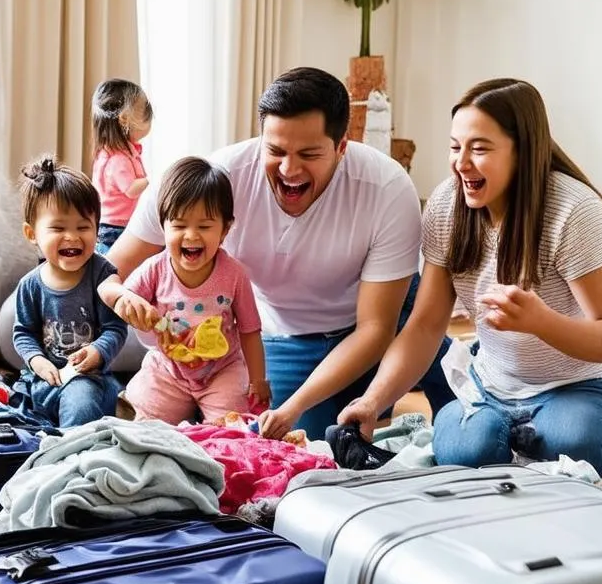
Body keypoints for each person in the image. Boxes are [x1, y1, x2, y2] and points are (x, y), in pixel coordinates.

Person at [104, 66, 442, 441]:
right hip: (283, 337)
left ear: (341, 147)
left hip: (363, 334)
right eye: (276, 150)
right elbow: (109, 270)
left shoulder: (386, 187)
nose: (289, 169)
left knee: (359, 414)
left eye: (309, 154)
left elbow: (375, 328)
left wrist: (296, 404)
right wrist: (121, 298)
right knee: (280, 440)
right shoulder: (218, 178)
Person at [338, 78, 602, 477]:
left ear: (523, 151)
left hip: (575, 387)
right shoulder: (447, 205)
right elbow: (426, 325)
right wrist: (373, 401)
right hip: (489, 388)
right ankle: (506, 442)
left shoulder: (572, 210)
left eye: (479, 149)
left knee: (573, 444)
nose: (461, 163)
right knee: (466, 449)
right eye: (455, 146)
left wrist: (540, 322)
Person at [98, 156, 270, 424]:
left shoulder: (234, 274)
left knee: (233, 428)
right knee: (140, 421)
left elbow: (249, 330)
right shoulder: (154, 268)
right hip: (168, 370)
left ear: (225, 229)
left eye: (204, 226)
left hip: (222, 371)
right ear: (163, 226)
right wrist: (124, 298)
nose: (191, 235)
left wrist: (258, 379)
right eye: (179, 225)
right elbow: (106, 289)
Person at [11, 157, 127, 427]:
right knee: (19, 409)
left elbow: (116, 328)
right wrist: (38, 361)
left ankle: (70, 453)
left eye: (83, 227)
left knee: (82, 402)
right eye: (58, 228)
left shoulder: (101, 275)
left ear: (97, 229)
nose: (72, 237)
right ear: (32, 233)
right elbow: (24, 332)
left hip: (88, 377)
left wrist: (98, 351)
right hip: (44, 377)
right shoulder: (30, 285)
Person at [90, 79, 152, 255]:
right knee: (115, 265)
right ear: (124, 119)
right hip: (116, 227)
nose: (149, 120)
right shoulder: (118, 159)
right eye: (145, 114)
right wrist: (153, 180)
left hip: (112, 224)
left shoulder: (115, 153)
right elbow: (131, 189)